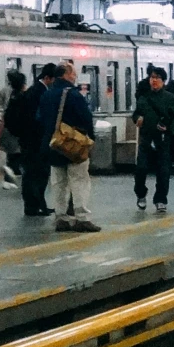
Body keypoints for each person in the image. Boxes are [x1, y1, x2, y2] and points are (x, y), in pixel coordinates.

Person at [53, 59, 100, 232]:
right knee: (79, 180)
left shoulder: (47, 94)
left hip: (53, 145)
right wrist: (90, 140)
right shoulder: (72, 95)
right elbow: (86, 119)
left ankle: (61, 218)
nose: (74, 77)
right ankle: (82, 218)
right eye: (73, 73)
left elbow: (38, 119)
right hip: (73, 146)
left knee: (58, 182)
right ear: (66, 75)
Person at [133, 64, 174, 212]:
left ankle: (160, 199)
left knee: (163, 171)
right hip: (146, 138)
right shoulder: (143, 97)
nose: (154, 80)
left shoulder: (170, 98)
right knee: (141, 169)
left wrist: (169, 128)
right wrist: (137, 119)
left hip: (163, 140)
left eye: (157, 78)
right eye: (152, 77)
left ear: (163, 81)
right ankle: (141, 193)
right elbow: (136, 113)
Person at [25, 62, 62, 218]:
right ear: (47, 78)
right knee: (38, 174)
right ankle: (37, 206)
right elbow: (38, 119)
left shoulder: (33, 90)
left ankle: (36, 205)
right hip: (37, 141)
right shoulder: (39, 93)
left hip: (32, 140)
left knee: (33, 174)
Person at [0, 68, 28, 188]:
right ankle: (12, 174)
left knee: (12, 154)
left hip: (8, 128)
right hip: (19, 131)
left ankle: (10, 175)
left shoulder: (5, 92)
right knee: (18, 154)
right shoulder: (24, 95)